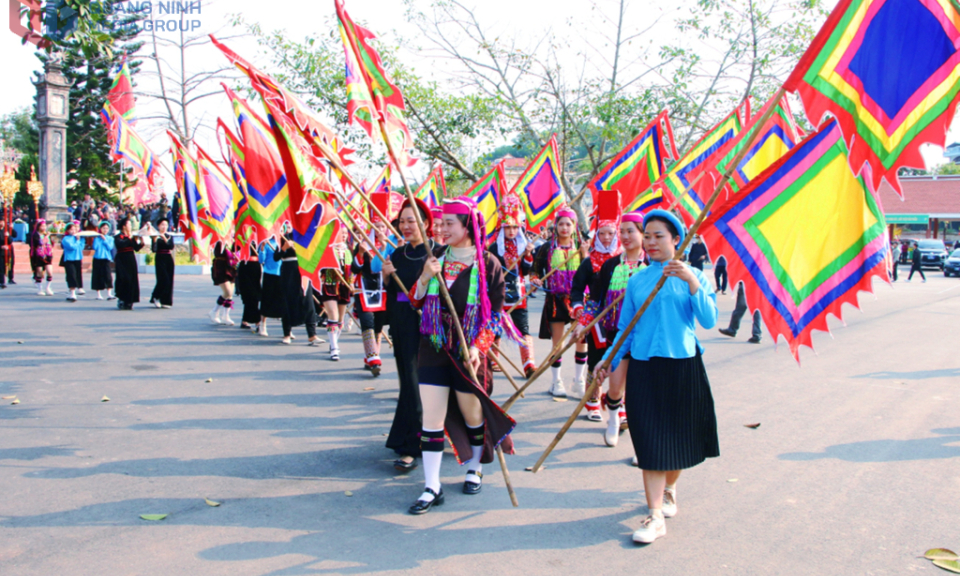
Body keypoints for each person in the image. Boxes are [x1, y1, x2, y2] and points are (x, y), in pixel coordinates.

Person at [595, 209, 719, 545]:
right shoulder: (637, 281)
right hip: (645, 370)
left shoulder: (693, 275)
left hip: (683, 367)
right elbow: (626, 330)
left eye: (657, 236)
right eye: (646, 235)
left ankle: (670, 489)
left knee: (677, 441)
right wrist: (607, 360)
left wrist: (692, 282)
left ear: (676, 240)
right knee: (649, 442)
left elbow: (708, 320)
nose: (650, 242)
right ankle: (653, 515)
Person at [407, 197, 515, 515]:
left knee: (472, 415)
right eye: (440, 222)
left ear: (467, 226)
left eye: (449, 222)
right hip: (434, 348)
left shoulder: (489, 264)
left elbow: (495, 315)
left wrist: (479, 347)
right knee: (431, 419)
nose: (441, 228)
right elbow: (415, 300)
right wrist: (426, 276)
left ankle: (475, 467)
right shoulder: (434, 256)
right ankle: (431, 485)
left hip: (469, 354)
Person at [382, 198, 435, 471]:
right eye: (401, 221)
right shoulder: (396, 255)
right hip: (402, 326)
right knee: (408, 383)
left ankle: (414, 445)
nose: (405, 226)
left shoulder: (437, 254)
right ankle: (409, 440)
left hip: (428, 326)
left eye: (411, 221)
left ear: (425, 223)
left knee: (422, 385)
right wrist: (387, 278)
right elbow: (392, 296)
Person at [571, 190, 623, 406]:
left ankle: (617, 404)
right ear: (596, 234)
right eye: (603, 233)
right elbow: (576, 289)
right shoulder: (589, 261)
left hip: (623, 319)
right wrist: (578, 308)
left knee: (622, 362)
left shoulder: (627, 260)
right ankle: (592, 399)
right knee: (595, 358)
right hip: (597, 318)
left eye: (611, 233)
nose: (607, 237)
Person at [532, 207, 588, 397]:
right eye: (561, 223)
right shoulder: (546, 247)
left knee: (581, 339)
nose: (564, 227)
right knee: (558, 343)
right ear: (555, 226)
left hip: (578, 300)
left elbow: (590, 273)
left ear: (574, 227)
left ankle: (578, 380)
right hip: (555, 299)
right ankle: (556, 382)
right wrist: (535, 280)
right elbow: (534, 271)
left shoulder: (581, 247)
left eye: (568, 224)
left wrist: (586, 254)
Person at [487, 189, 537, 377]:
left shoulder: (524, 246)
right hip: (498, 294)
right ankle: (494, 360)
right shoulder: (493, 247)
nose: (511, 231)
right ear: (501, 228)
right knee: (496, 328)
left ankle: (529, 365)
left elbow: (527, 269)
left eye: (515, 227)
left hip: (519, 293)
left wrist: (529, 255)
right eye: (508, 227)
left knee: (523, 328)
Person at [352, 193, 395, 375]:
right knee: (367, 322)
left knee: (378, 325)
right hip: (364, 290)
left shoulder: (392, 244)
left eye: (382, 226)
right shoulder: (363, 244)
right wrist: (360, 254)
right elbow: (354, 269)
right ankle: (373, 357)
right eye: (376, 226)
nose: (379, 229)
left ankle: (372, 357)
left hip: (382, 290)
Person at [275, 233, 324, 346]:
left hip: (304, 271)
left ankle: (312, 334)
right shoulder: (284, 237)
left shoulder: (307, 236)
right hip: (289, 272)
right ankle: (287, 333)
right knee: (288, 302)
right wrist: (284, 248)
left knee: (308, 302)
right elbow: (276, 257)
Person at [317, 229, 352, 356]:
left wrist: (351, 281)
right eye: (339, 233)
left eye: (344, 233)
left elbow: (353, 270)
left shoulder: (349, 251)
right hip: (329, 284)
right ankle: (334, 348)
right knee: (333, 315)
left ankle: (334, 341)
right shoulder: (327, 250)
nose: (342, 236)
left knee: (340, 319)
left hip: (344, 286)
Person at [114, 217, 145, 310]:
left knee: (132, 280)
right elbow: (120, 244)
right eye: (129, 224)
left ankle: (130, 300)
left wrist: (141, 242)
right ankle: (122, 298)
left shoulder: (131, 237)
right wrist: (130, 238)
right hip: (121, 259)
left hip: (130, 259)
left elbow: (136, 248)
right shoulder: (118, 237)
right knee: (123, 279)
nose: (130, 226)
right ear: (124, 226)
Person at [257, 237, 283, 337]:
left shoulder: (283, 242)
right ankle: (262, 325)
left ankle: (287, 330)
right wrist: (262, 247)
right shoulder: (266, 242)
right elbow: (261, 260)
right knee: (266, 300)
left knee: (283, 301)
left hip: (282, 274)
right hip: (269, 274)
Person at [209, 243, 238, 325]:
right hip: (220, 266)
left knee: (230, 293)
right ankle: (214, 311)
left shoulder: (232, 238)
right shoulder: (219, 238)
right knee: (227, 292)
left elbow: (237, 248)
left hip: (231, 265)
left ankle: (226, 316)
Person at [236, 243, 263, 330]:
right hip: (245, 266)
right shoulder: (243, 236)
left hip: (256, 267)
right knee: (249, 294)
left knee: (255, 295)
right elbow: (234, 248)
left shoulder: (258, 237)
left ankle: (245, 321)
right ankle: (258, 322)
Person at [150, 220, 175, 308]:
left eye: (166, 225)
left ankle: (166, 301)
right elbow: (154, 249)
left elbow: (171, 247)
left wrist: (164, 238)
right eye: (162, 225)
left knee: (169, 279)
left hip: (168, 258)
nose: (164, 227)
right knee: (163, 279)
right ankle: (156, 297)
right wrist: (154, 240)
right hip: (160, 258)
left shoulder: (169, 236)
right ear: (158, 226)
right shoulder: (155, 236)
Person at [90, 221, 116, 300]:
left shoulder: (110, 238)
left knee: (108, 275)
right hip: (97, 258)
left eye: (107, 228)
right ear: (100, 229)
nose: (105, 230)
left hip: (106, 258)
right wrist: (99, 238)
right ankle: (98, 294)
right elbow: (95, 247)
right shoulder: (96, 238)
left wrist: (104, 240)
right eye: (103, 228)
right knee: (97, 276)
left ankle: (109, 293)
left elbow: (110, 247)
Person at [60, 221, 85, 302]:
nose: (73, 231)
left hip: (78, 258)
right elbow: (71, 247)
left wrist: (79, 240)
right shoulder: (65, 239)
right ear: (67, 230)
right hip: (69, 259)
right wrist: (77, 241)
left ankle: (77, 289)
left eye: (74, 229)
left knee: (77, 274)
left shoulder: (78, 237)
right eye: (71, 229)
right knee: (71, 275)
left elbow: (81, 247)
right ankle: (72, 292)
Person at [29, 219, 55, 296]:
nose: (44, 227)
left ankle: (48, 287)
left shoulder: (46, 234)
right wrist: (46, 237)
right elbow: (40, 243)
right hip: (38, 255)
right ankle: (40, 288)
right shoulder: (35, 235)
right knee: (39, 272)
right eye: (42, 226)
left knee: (49, 271)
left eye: (45, 226)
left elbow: (50, 243)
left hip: (47, 255)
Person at [0, 219, 16, 288]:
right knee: (1, 267)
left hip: (8, 250)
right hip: (1, 250)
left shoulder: (6, 229)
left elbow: (13, 237)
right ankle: (2, 282)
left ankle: (10, 278)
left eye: (2, 222)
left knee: (10, 264)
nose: (1, 223)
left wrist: (8, 235)